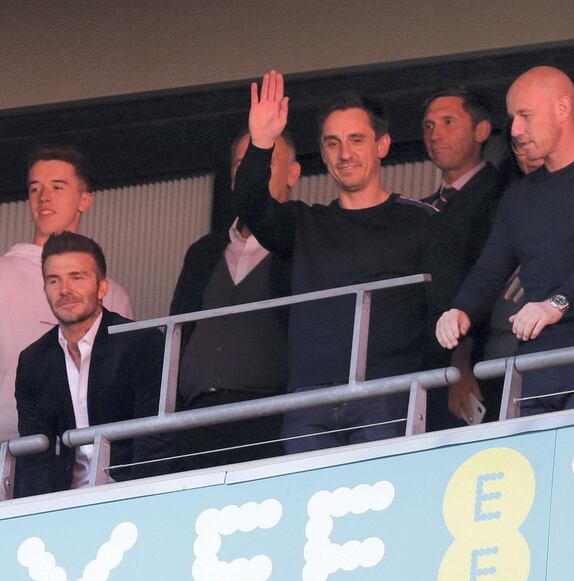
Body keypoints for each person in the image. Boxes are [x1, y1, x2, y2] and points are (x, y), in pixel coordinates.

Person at [233, 70, 449, 452]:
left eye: (356, 140)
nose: (345, 154)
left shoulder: (422, 222)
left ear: (382, 145)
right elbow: (251, 204)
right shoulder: (305, 224)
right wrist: (262, 141)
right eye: (333, 143)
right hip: (308, 402)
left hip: (389, 395)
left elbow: (444, 312)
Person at [436, 66, 574, 416]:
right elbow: (489, 268)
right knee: (531, 467)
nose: (515, 130)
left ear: (562, 109)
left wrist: (554, 304)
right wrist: (460, 309)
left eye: (525, 116)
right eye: (513, 118)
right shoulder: (519, 196)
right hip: (534, 359)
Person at [0, 146, 133, 505]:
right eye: (34, 188)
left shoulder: (112, 292)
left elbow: (127, 381)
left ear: (84, 199)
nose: (43, 197)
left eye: (58, 186)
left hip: (81, 460)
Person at [169, 130, 300, 469]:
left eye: (265, 160)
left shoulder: (303, 242)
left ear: (293, 174)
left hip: (271, 416)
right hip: (197, 419)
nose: (252, 171)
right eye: (243, 164)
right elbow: (177, 332)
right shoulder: (203, 252)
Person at [15, 232, 171, 497]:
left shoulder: (141, 342)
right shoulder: (33, 361)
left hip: (134, 496)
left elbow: (155, 440)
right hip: (68, 505)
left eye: (77, 277)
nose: (65, 290)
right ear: (45, 290)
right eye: (54, 280)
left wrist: (140, 501)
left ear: (102, 287)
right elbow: (34, 457)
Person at [420, 86, 505, 427]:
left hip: (478, 359)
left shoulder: (500, 194)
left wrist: (462, 360)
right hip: (425, 362)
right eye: (428, 126)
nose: (435, 134)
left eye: (448, 122)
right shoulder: (423, 208)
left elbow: (487, 277)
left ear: (481, 130)